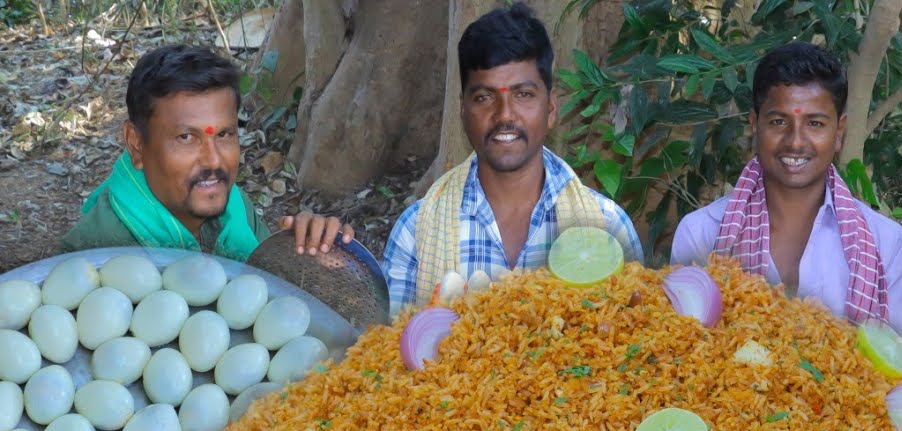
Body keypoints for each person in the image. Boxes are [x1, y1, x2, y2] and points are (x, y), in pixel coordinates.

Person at [381, 2, 642, 313]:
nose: (504, 115)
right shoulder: (416, 235)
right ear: (463, 112)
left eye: (523, 94)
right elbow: (391, 352)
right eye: (484, 97)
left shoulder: (608, 228)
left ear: (552, 109)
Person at [671, 42, 902, 337]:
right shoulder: (701, 234)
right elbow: (679, 348)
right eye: (779, 121)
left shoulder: (885, 244)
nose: (796, 141)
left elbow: (901, 360)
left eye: (814, 123)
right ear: (755, 125)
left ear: (838, 133)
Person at [63, 45, 353, 261]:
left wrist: (307, 251)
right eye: (187, 137)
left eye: (225, 134)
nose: (214, 161)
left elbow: (278, 300)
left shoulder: (235, 212)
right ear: (137, 144)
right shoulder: (93, 255)